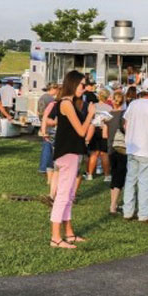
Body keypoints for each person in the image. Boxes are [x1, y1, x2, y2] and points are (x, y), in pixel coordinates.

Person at [49, 70, 95, 249]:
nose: (84, 89)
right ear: (74, 84)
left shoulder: (69, 103)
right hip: (67, 153)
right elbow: (81, 132)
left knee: (68, 194)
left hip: (70, 152)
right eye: (82, 85)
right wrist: (90, 114)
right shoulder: (66, 104)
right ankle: (55, 237)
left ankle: (68, 233)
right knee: (63, 195)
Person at [121, 78, 148, 223]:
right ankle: (144, 214)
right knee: (145, 182)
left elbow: (125, 124)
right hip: (147, 148)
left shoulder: (133, 104)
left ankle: (127, 211)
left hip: (132, 147)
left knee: (130, 180)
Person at [107, 91, 127, 215]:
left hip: (110, 147)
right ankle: (113, 205)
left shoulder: (108, 115)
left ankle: (113, 203)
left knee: (114, 174)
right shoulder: (124, 115)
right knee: (120, 177)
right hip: (122, 147)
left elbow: (104, 134)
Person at [85, 87, 111, 181]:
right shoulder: (109, 108)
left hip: (94, 130)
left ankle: (90, 174)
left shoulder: (93, 106)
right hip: (104, 130)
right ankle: (107, 175)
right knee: (104, 154)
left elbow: (89, 117)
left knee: (94, 153)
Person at [37, 83, 59, 180]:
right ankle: (47, 167)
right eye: (57, 89)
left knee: (46, 146)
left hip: (44, 123)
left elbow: (39, 112)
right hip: (50, 124)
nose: (57, 91)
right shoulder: (51, 100)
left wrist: (42, 124)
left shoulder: (42, 97)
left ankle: (43, 167)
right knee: (48, 148)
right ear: (53, 89)